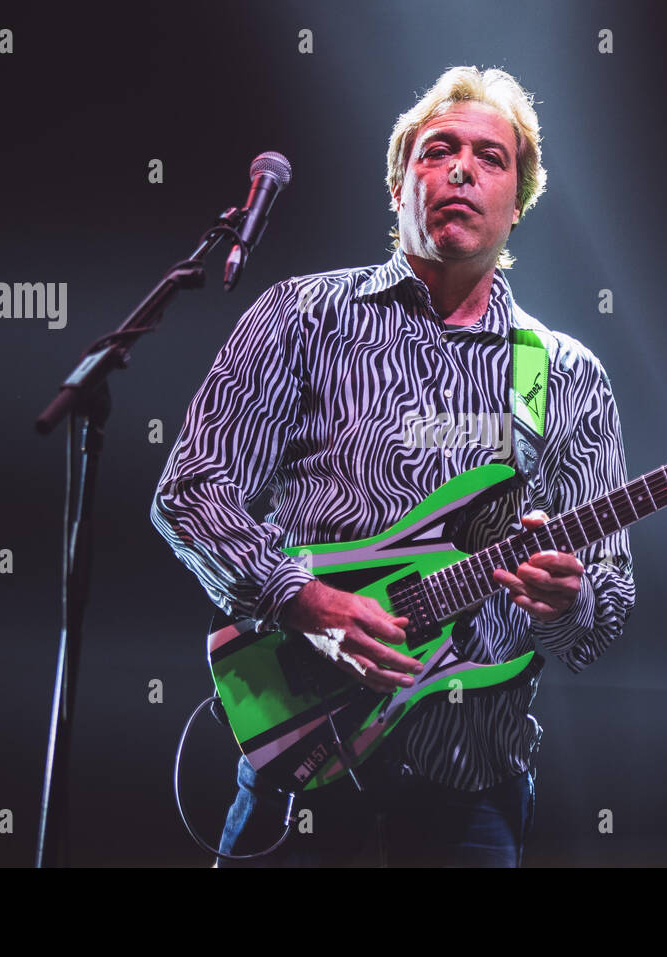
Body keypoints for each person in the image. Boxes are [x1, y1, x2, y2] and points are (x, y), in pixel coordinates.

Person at [151, 65, 635, 867]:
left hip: (474, 784)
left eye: (491, 157)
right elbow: (192, 489)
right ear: (397, 182)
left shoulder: (569, 374)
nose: (461, 169)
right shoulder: (303, 315)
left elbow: (603, 614)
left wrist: (568, 600)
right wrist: (309, 603)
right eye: (437, 149)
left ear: (518, 202)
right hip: (305, 752)